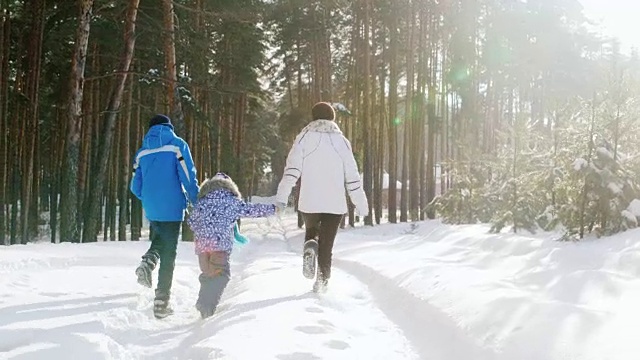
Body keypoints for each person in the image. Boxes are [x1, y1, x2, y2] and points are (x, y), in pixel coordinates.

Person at [275, 102, 369, 292]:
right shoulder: (341, 141)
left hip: (310, 200)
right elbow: (352, 176)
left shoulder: (303, 138)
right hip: (335, 203)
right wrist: (361, 204)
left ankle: (310, 244)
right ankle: (322, 282)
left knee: (312, 231)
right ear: (332, 118)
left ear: (314, 117)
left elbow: (291, 171)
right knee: (327, 246)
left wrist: (282, 197)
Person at [130, 114, 200, 319]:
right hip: (172, 204)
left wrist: (149, 196)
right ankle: (161, 302)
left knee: (161, 239)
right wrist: (196, 200)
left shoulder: (142, 152)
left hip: (151, 206)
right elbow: (188, 175)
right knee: (169, 252)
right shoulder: (177, 145)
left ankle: (149, 261)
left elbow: (135, 186)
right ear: (168, 127)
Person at [187, 172, 277, 319]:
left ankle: (203, 305)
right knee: (222, 276)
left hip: (202, 249)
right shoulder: (231, 201)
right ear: (229, 187)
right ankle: (206, 308)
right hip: (220, 247)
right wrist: (273, 209)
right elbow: (252, 210)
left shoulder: (202, 202)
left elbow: (191, 222)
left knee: (208, 274)